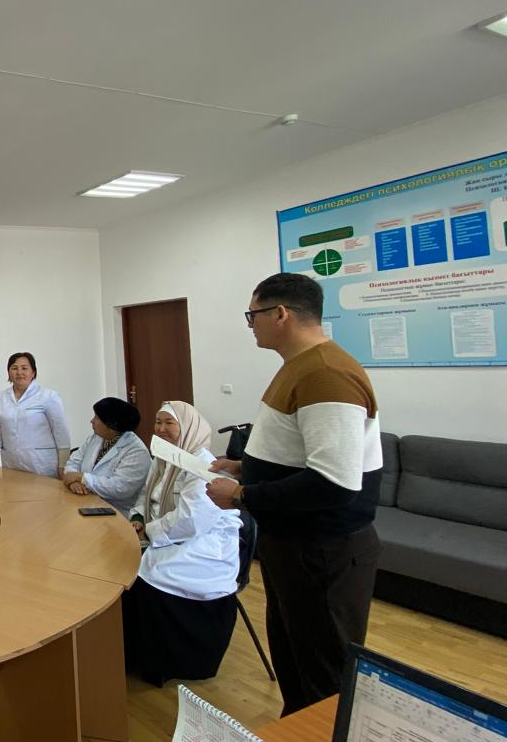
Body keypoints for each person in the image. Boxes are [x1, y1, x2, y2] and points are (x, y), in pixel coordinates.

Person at [206, 272, 382, 716]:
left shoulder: (325, 373)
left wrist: (242, 495)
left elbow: (334, 482)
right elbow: (302, 453)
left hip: (322, 552)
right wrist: (244, 467)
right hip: (294, 547)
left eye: (253, 316)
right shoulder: (300, 365)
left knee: (323, 679)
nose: (251, 325)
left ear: (280, 314)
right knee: (295, 662)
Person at [123, 402, 241, 687]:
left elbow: (191, 520)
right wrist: (138, 518)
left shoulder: (202, 465)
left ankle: (164, 662)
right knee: (125, 565)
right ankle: (134, 653)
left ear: (187, 427)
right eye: (158, 422)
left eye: (169, 423)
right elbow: (146, 496)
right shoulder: (164, 457)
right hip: (167, 534)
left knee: (151, 573)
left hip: (203, 543)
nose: (161, 429)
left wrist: (148, 532)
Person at [0, 352, 71, 477]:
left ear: (33, 372)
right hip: (11, 463)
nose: (19, 372)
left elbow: (60, 431)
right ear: (9, 372)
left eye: (24, 368)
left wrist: (63, 464)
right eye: (14, 368)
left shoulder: (48, 396)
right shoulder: (0, 398)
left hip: (41, 464)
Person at [62, 397, 152, 515]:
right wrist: (73, 482)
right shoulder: (96, 438)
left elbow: (120, 488)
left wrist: (82, 478)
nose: (91, 421)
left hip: (115, 512)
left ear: (111, 425)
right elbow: (74, 462)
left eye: (97, 418)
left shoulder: (137, 451)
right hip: (85, 501)